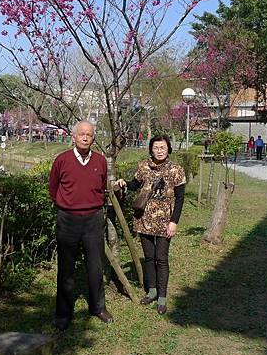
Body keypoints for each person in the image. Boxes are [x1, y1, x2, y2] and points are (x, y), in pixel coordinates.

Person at [49, 120, 113, 331]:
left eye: (89, 135)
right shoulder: (62, 160)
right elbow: (53, 188)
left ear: (93, 138)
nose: (85, 137)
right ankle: (63, 313)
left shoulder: (101, 161)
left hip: (93, 219)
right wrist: (67, 205)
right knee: (66, 268)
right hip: (68, 220)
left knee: (95, 267)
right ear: (74, 137)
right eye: (81, 134)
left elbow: (101, 187)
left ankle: (98, 307)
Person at [115, 134, 186, 315]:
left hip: (165, 221)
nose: (159, 151)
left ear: (168, 148)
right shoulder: (143, 166)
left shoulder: (176, 169)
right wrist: (124, 183)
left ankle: (162, 297)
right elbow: (135, 184)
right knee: (148, 257)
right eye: (156, 147)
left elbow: (179, 198)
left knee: (161, 259)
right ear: (151, 149)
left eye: (163, 147)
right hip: (144, 219)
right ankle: (152, 291)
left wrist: (174, 222)